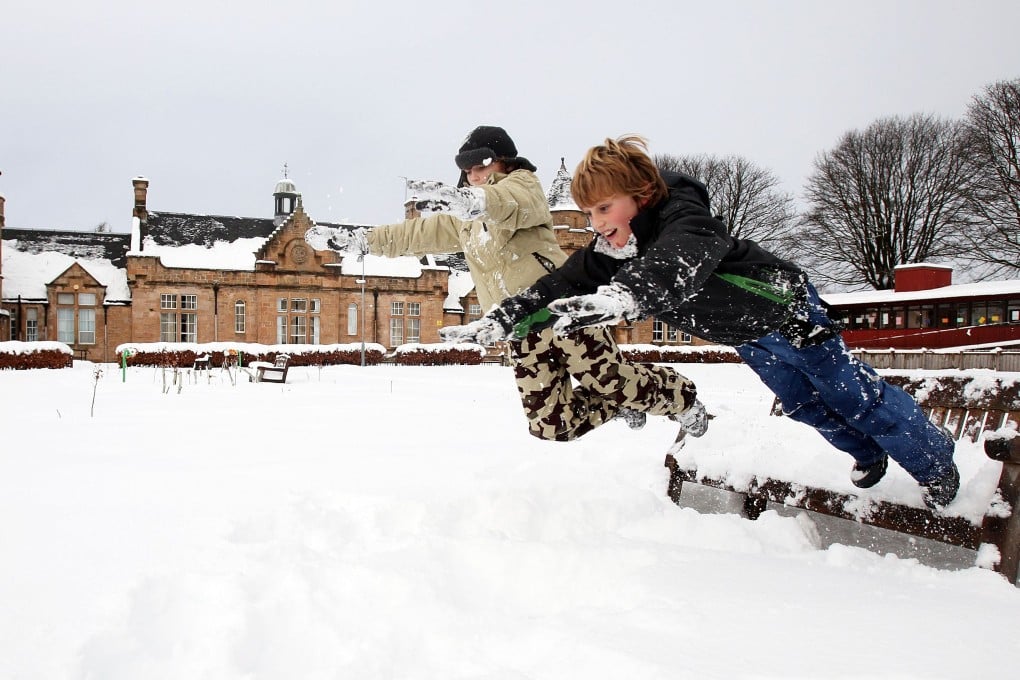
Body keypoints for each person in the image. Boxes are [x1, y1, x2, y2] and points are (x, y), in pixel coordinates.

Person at [439, 135, 960, 509]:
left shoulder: (686, 220)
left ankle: (936, 463)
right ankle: (869, 453)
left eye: (603, 209)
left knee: (851, 395)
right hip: (750, 336)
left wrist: (625, 298)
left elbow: (675, 265)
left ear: (639, 197)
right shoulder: (613, 250)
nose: (597, 226)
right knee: (803, 404)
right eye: (589, 214)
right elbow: (556, 285)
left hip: (789, 313)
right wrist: (502, 320)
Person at [307, 126, 707, 443]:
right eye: (468, 172)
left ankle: (681, 396)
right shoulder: (465, 222)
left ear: (504, 163)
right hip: (519, 326)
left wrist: (476, 200)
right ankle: (614, 407)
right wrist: (360, 240)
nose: (474, 177)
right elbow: (413, 234)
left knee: (612, 382)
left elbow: (505, 203)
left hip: (561, 309)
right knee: (552, 424)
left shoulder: (524, 188)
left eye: (481, 167)